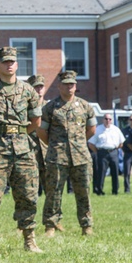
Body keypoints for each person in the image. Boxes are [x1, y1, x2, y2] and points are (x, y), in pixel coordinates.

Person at [0, 46, 43, 255]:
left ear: (17, 65)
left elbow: (36, 121)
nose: (9, 65)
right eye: (5, 62)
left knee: (28, 194)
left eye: (12, 62)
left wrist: (20, 133)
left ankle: (29, 238)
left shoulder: (28, 90)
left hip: (23, 149)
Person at [38, 70, 96, 237]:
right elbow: (42, 131)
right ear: (59, 86)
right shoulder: (50, 107)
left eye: (72, 84)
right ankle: (50, 225)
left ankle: (86, 225)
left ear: (75, 86)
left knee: (83, 192)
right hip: (57, 157)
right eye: (66, 84)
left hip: (81, 157)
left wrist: (78, 143)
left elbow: (91, 129)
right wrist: (55, 145)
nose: (69, 87)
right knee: (53, 192)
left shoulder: (85, 106)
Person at [88, 113, 124, 195]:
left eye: (110, 119)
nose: (108, 120)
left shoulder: (116, 129)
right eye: (106, 119)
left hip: (113, 152)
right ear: (102, 120)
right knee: (101, 173)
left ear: (112, 120)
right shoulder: (98, 129)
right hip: (102, 153)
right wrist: (98, 152)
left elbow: (121, 143)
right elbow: (91, 144)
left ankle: (115, 191)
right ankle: (99, 190)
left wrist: (114, 150)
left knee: (115, 172)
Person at [27, 74, 48, 195]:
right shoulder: (24, 107)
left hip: (46, 149)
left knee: (50, 187)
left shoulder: (50, 107)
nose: (39, 90)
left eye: (41, 86)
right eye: (36, 87)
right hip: (30, 148)